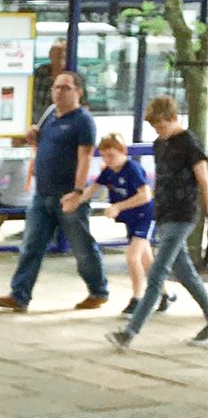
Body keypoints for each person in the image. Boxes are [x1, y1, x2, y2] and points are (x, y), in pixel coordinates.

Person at [0, 71, 109, 312]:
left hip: (67, 196)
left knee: (81, 246)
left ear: (78, 92)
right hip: (42, 193)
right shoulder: (49, 116)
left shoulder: (82, 120)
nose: (58, 92)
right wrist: (31, 136)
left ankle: (98, 290)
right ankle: (19, 295)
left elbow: (85, 156)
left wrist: (77, 191)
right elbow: (39, 143)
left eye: (65, 88)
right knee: (31, 246)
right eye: (56, 87)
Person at [108, 97, 208, 349]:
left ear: (174, 118)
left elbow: (204, 179)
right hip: (164, 215)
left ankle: (129, 333)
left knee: (156, 273)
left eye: (162, 126)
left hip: (182, 215)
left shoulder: (190, 143)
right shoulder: (159, 144)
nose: (159, 131)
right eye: (155, 128)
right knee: (186, 273)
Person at [66, 133, 159, 316]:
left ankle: (137, 299)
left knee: (133, 257)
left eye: (112, 156)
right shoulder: (108, 170)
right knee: (147, 261)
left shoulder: (132, 169)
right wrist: (75, 201)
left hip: (145, 216)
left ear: (123, 152)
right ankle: (166, 294)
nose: (108, 160)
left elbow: (146, 195)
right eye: (105, 156)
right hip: (131, 218)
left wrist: (118, 206)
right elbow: (93, 188)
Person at [29, 39, 67, 122]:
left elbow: (84, 107)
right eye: (57, 52)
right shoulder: (38, 73)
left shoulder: (76, 77)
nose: (62, 54)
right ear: (50, 55)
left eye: (65, 51)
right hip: (37, 126)